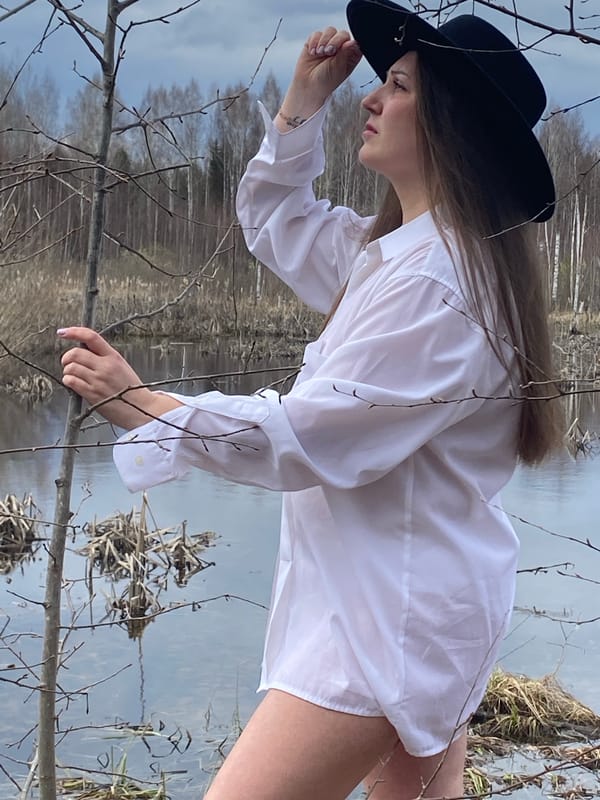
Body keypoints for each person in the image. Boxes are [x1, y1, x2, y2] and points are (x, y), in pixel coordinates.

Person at [58, 1, 563, 797]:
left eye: (397, 87)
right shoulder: (405, 257)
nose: (372, 97)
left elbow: (304, 437)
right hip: (415, 608)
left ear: (450, 129)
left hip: (383, 627)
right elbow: (277, 218)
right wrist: (303, 104)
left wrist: (153, 408)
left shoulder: (439, 285)